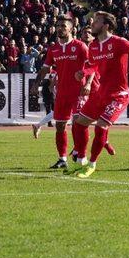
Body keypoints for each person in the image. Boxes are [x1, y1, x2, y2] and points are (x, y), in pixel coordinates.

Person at [69, 11, 129, 178]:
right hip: (100, 94)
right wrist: (83, 72)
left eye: (96, 21)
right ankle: (80, 161)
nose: (92, 23)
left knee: (101, 126)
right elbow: (93, 66)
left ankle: (91, 164)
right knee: (79, 123)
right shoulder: (94, 46)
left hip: (118, 94)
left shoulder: (119, 42)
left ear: (105, 25)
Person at [30, 16, 96, 169]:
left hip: (78, 92)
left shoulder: (80, 46)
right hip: (62, 93)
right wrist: (36, 84)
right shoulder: (53, 49)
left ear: (71, 28)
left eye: (63, 26)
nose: (60, 28)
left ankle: (80, 153)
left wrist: (88, 83)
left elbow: (93, 66)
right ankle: (62, 159)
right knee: (60, 126)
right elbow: (45, 68)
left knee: (78, 124)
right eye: (58, 25)